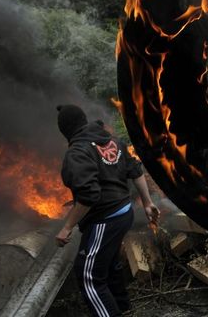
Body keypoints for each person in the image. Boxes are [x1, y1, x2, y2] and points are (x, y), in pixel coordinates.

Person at [55, 104, 160, 317]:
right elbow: (135, 170)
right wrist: (148, 203)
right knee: (110, 263)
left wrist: (66, 227)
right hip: (124, 213)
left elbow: (88, 196)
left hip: (105, 219)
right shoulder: (112, 141)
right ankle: (123, 307)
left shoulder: (77, 152)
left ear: (64, 130)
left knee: (89, 277)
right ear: (83, 120)